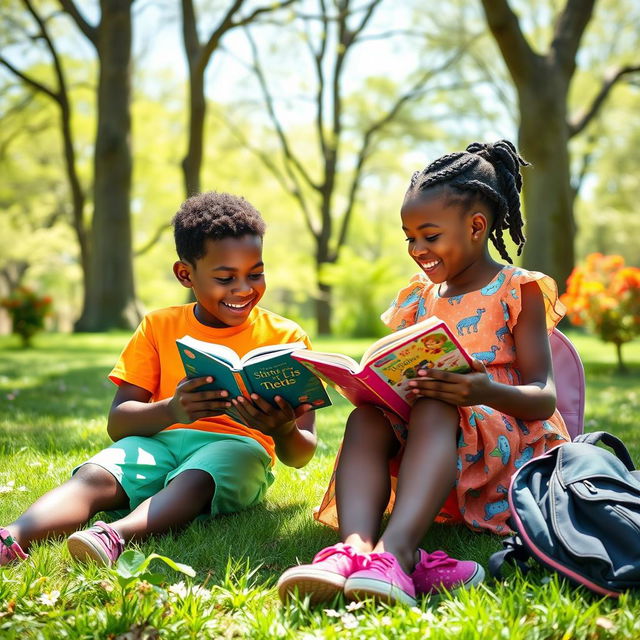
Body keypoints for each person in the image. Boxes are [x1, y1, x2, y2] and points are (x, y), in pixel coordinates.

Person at [278, 140, 570, 607]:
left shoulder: (519, 289)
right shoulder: (419, 295)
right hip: (429, 438)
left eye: (429, 236)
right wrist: (374, 388)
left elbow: (545, 396)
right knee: (367, 419)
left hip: (503, 441)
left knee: (436, 403)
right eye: (409, 237)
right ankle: (353, 551)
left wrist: (483, 389)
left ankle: (396, 554)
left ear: (476, 226)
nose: (417, 249)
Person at [0, 191, 317, 568]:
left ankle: (115, 536)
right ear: (186, 274)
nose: (244, 288)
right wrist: (173, 409)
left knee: (200, 475)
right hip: (161, 441)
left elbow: (301, 454)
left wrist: (281, 430)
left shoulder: (287, 338)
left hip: (237, 448)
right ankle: (12, 537)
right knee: (95, 475)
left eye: (256, 273)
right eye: (225, 277)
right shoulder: (159, 325)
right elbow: (119, 423)